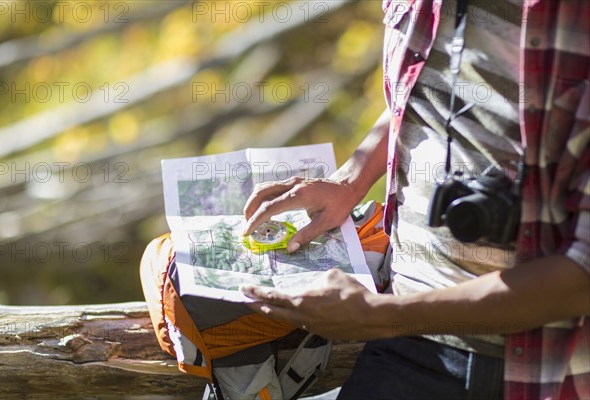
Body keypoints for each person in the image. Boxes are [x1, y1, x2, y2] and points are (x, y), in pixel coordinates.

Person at [240, 0, 589, 399]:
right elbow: (418, 90)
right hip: (404, 334)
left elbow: (582, 279)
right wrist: (349, 183)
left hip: (535, 367)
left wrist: (379, 317)